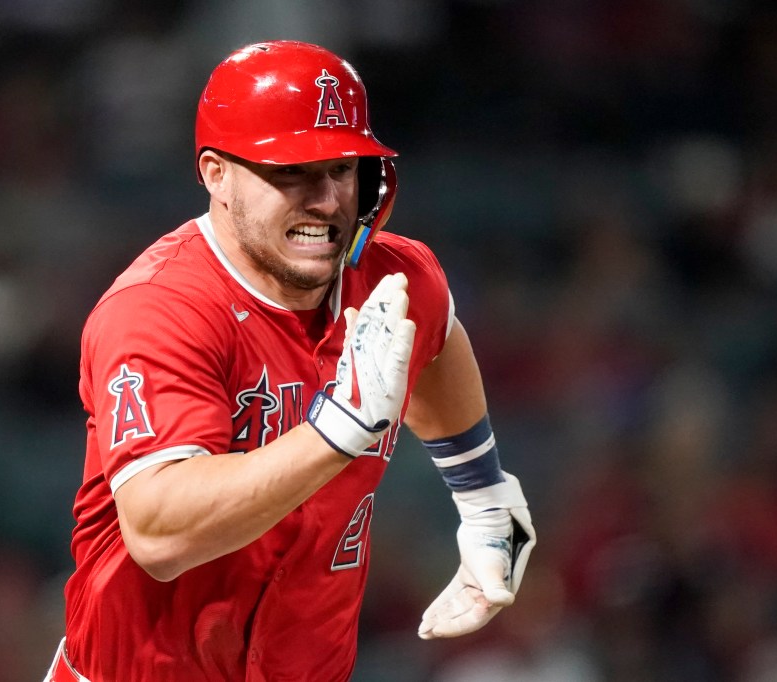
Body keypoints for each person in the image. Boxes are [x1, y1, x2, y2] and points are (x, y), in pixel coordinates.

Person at [43, 40, 536, 682]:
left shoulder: (393, 276)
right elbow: (159, 533)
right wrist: (337, 432)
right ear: (216, 174)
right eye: (291, 172)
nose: (327, 200)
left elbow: (438, 337)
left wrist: (483, 493)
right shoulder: (160, 309)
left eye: (341, 169)